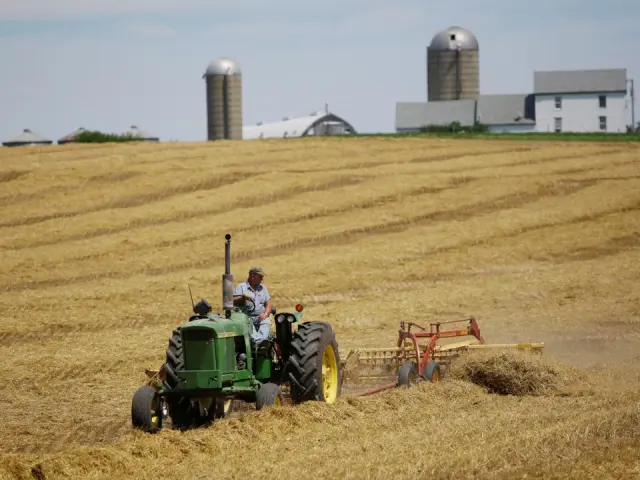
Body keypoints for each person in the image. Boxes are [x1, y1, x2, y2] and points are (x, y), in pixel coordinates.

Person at [233, 266, 272, 344]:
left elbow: (268, 304)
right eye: (260, 277)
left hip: (261, 316)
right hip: (247, 317)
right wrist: (242, 298)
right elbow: (232, 301)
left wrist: (265, 314)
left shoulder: (263, 288)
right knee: (249, 326)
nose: (262, 279)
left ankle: (262, 343)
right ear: (253, 276)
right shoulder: (241, 287)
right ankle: (258, 343)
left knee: (266, 322)